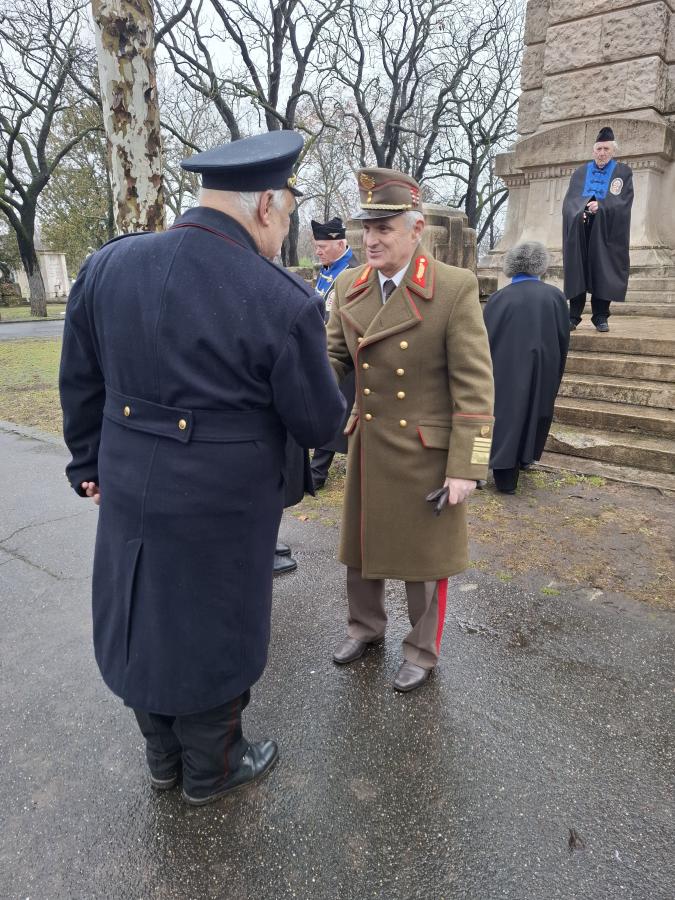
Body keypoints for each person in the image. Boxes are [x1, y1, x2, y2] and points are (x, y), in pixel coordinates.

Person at [59, 131, 346, 806]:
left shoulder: (109, 265)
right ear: (267, 205)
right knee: (214, 627)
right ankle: (212, 768)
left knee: (139, 613)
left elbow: (81, 380)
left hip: (129, 482)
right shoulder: (281, 298)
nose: (285, 233)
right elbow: (318, 423)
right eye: (287, 216)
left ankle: (163, 759)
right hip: (225, 502)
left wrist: (87, 463)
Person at [326, 167, 494, 693]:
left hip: (425, 451)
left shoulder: (453, 287)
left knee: (424, 561)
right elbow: (331, 358)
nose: (371, 240)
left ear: (416, 229)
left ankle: (421, 650)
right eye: (367, 229)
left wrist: (466, 466)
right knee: (361, 548)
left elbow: (475, 385)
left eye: (385, 229)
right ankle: (364, 627)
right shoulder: (350, 285)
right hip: (370, 442)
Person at [483, 241, 570, 494]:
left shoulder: (498, 298)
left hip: (503, 368)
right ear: (541, 266)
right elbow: (562, 337)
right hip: (543, 366)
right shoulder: (555, 296)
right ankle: (525, 458)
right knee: (535, 411)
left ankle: (502, 475)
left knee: (504, 416)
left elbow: (485, 337)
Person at [562, 126, 633, 333]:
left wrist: (601, 206)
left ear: (613, 151)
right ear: (593, 151)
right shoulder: (580, 173)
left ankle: (601, 316)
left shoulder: (622, 173)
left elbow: (623, 201)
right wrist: (580, 212)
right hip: (581, 229)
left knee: (604, 270)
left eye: (606, 149)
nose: (602, 153)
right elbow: (569, 202)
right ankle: (573, 316)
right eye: (599, 149)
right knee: (578, 269)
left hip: (607, 231)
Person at [310, 216, 358, 490]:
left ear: (340, 244)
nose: (318, 252)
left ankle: (317, 473)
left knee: (335, 406)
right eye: (316, 246)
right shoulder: (329, 269)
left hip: (343, 351)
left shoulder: (351, 272)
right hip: (322, 346)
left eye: (322, 247)